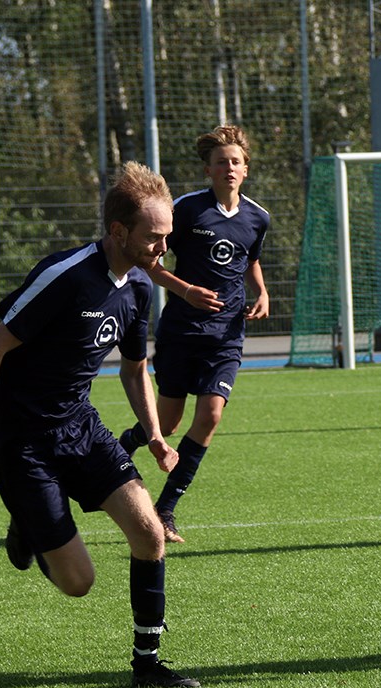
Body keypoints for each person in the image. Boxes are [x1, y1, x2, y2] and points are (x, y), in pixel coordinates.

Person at [0, 162, 199, 688]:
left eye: (167, 237)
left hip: (81, 428)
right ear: (119, 231)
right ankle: (27, 525)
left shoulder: (140, 289)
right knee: (79, 583)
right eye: (153, 237)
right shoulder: (65, 275)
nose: (162, 248)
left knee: (149, 533)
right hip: (23, 443)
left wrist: (157, 435)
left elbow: (133, 366)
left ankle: (148, 665)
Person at [115, 124, 269, 544]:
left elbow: (250, 258)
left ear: (246, 169)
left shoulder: (258, 217)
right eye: (221, 162)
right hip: (182, 331)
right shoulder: (184, 211)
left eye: (236, 162)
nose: (229, 168)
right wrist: (185, 290)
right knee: (165, 422)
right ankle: (115, 451)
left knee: (211, 416)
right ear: (208, 169)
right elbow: (149, 261)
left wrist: (262, 290)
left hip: (226, 335)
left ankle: (164, 510)